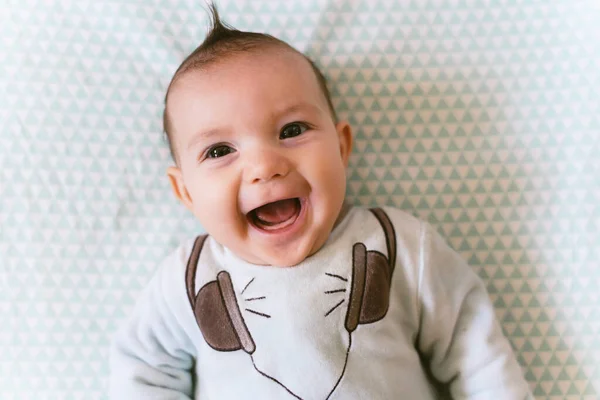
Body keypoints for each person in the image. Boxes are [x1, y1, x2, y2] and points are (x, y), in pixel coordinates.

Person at [109, 4, 532, 399]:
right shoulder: (188, 279)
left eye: (292, 130)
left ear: (341, 146)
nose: (264, 166)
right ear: (185, 191)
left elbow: (472, 345)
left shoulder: (397, 246)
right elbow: (143, 369)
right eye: (220, 151)